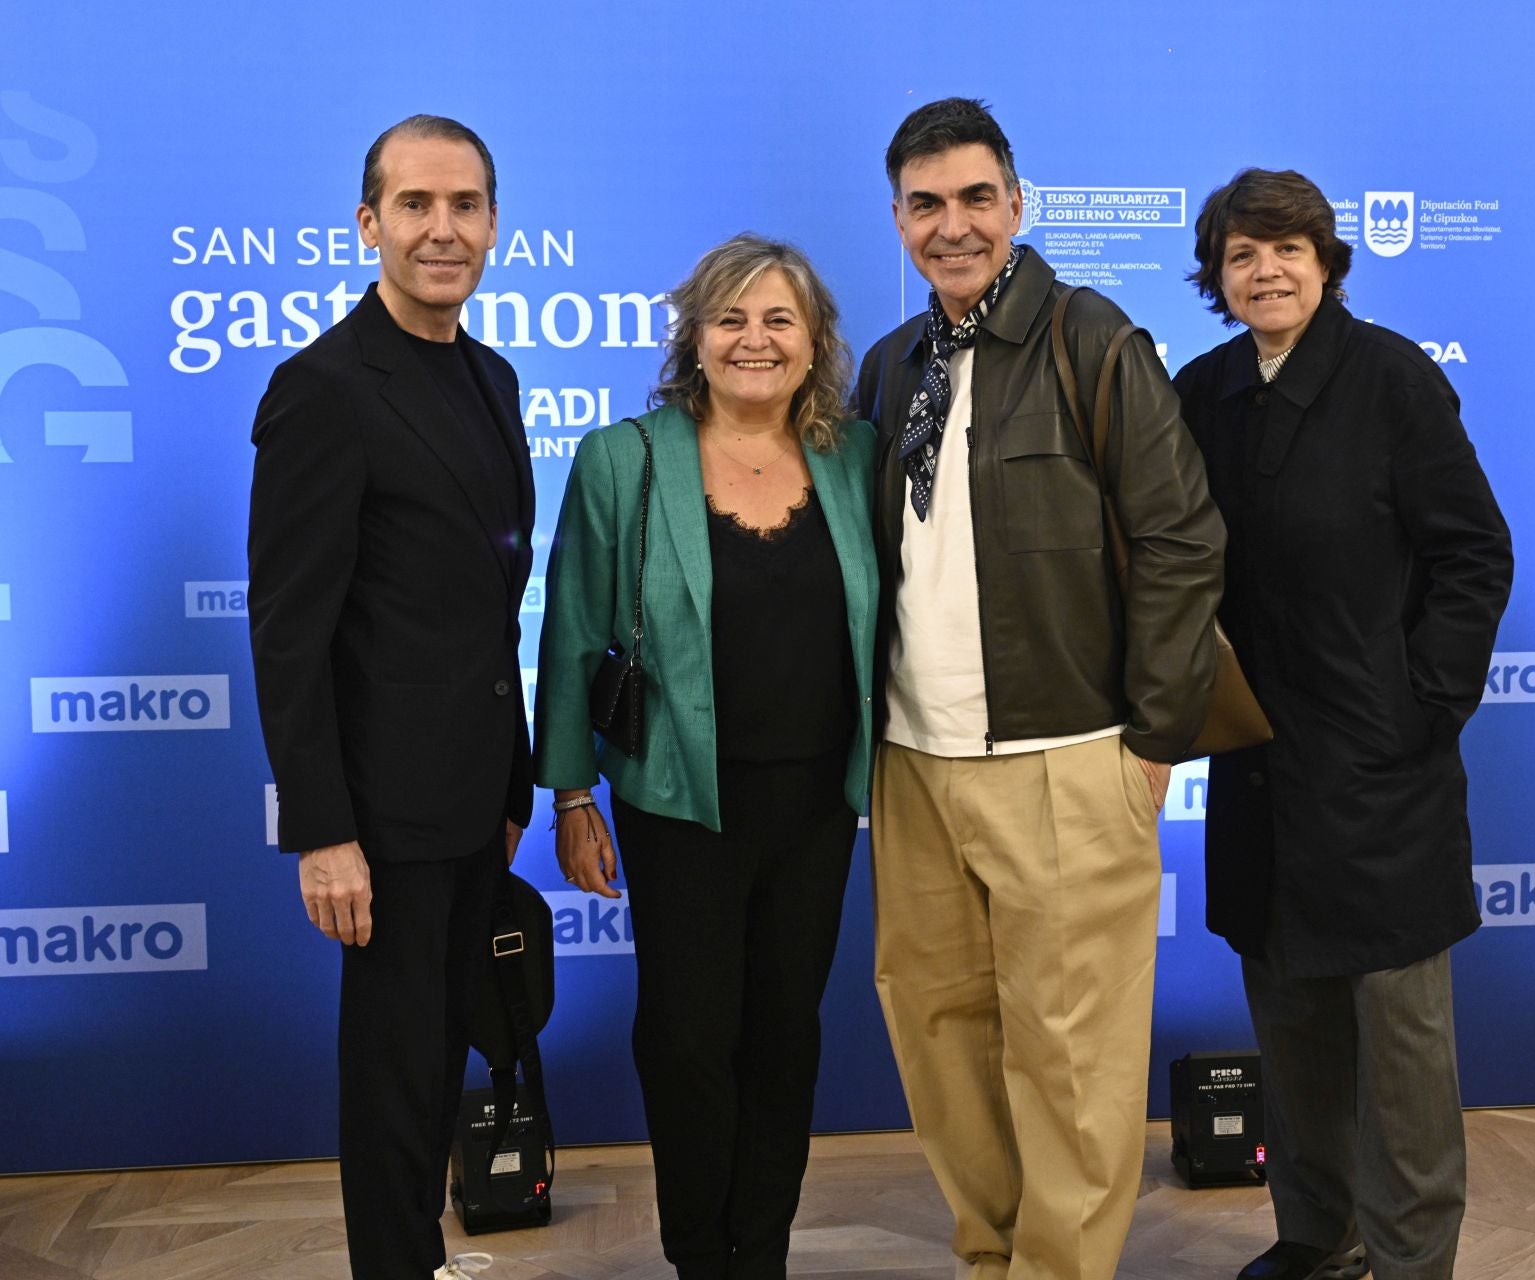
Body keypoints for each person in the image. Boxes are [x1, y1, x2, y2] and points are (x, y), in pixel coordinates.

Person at [854, 98, 1226, 1280]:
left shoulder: (1091, 337)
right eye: (926, 204)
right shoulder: (887, 365)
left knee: (1071, 1060)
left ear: (1017, 204)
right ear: (900, 218)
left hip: (1070, 756)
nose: (951, 225)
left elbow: (1181, 536)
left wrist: (1154, 737)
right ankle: (992, 1254)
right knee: (939, 1036)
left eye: (974, 198)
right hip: (914, 767)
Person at [1172, 169, 1513, 1280]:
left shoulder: (1392, 379)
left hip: (1380, 769)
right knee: (1293, 1018)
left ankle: (1415, 1259)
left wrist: (1422, 702)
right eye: (1242, 254)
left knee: (1401, 1049)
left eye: (1287, 248)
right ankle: (1318, 1237)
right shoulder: (1203, 389)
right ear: (1216, 275)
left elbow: (1474, 553)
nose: (1265, 270)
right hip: (1259, 762)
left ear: (1326, 260)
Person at [532, 234, 878, 1280]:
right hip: (675, 801)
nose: (754, 339)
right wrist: (572, 793)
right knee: (688, 1040)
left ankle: (759, 1249)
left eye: (779, 318)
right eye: (730, 317)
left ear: (815, 339)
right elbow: (570, 629)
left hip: (819, 800)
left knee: (785, 1034)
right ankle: (700, 1253)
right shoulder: (623, 458)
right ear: (693, 335)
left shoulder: (855, 457)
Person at [247, 115, 531, 1280]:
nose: (442, 229)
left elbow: (486, 606)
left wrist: (515, 779)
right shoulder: (322, 389)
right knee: (392, 1074)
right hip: (381, 816)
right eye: (416, 205)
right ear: (370, 224)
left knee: (440, 1055)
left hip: (477, 800)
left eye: (464, 205)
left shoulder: (491, 373)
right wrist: (323, 831)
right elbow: (290, 631)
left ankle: (422, 1256)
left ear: (493, 226)